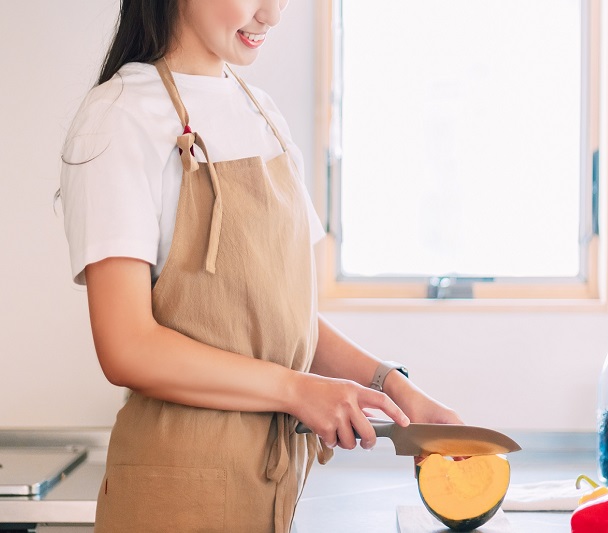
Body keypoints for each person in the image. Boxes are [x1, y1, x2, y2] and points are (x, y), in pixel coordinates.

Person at [59, 0, 462, 531]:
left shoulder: (262, 113)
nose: (271, 15)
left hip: (269, 492)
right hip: (172, 496)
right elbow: (127, 347)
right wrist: (300, 391)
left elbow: (280, 317)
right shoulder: (119, 115)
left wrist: (392, 388)